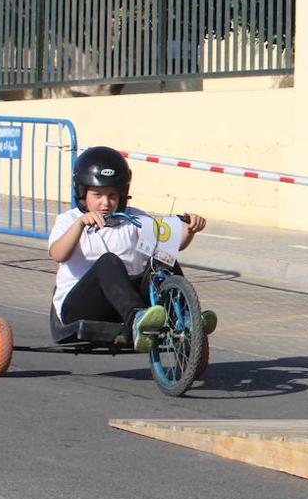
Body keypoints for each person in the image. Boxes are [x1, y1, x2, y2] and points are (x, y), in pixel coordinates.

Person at [48, 146, 216, 353]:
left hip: (123, 302)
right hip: (81, 307)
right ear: (83, 193)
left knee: (162, 257)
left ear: (122, 194)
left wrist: (190, 229)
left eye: (112, 195)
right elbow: (58, 254)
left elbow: (172, 245)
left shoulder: (134, 218)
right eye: (97, 195)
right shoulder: (70, 220)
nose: (105, 203)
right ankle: (137, 318)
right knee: (108, 261)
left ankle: (187, 317)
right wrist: (80, 225)